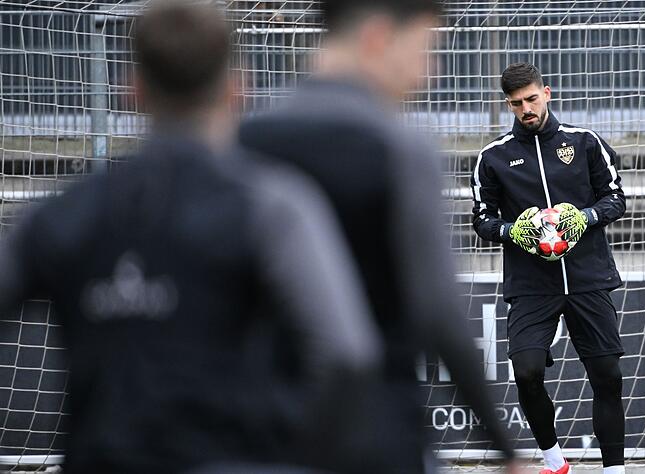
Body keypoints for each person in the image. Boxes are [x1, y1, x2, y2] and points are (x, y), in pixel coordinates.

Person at [0, 2, 381, 473]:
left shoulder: (60, 214)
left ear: (132, 90)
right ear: (237, 87)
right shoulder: (273, 208)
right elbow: (346, 353)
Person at [239, 1, 519, 473]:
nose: (428, 72)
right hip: (376, 433)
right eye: (427, 48)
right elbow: (439, 314)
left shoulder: (243, 143)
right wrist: (503, 447)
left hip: (261, 435)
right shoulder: (398, 150)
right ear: (378, 36)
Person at [470, 62, 627, 474]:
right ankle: (555, 461)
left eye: (532, 99)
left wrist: (584, 219)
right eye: (517, 103)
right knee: (526, 372)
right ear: (508, 105)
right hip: (531, 284)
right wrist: (513, 229)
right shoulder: (493, 157)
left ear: (547, 93)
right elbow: (481, 219)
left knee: (607, 375)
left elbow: (615, 199)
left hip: (588, 277)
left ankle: (615, 470)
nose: (526, 109)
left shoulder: (586, 142)